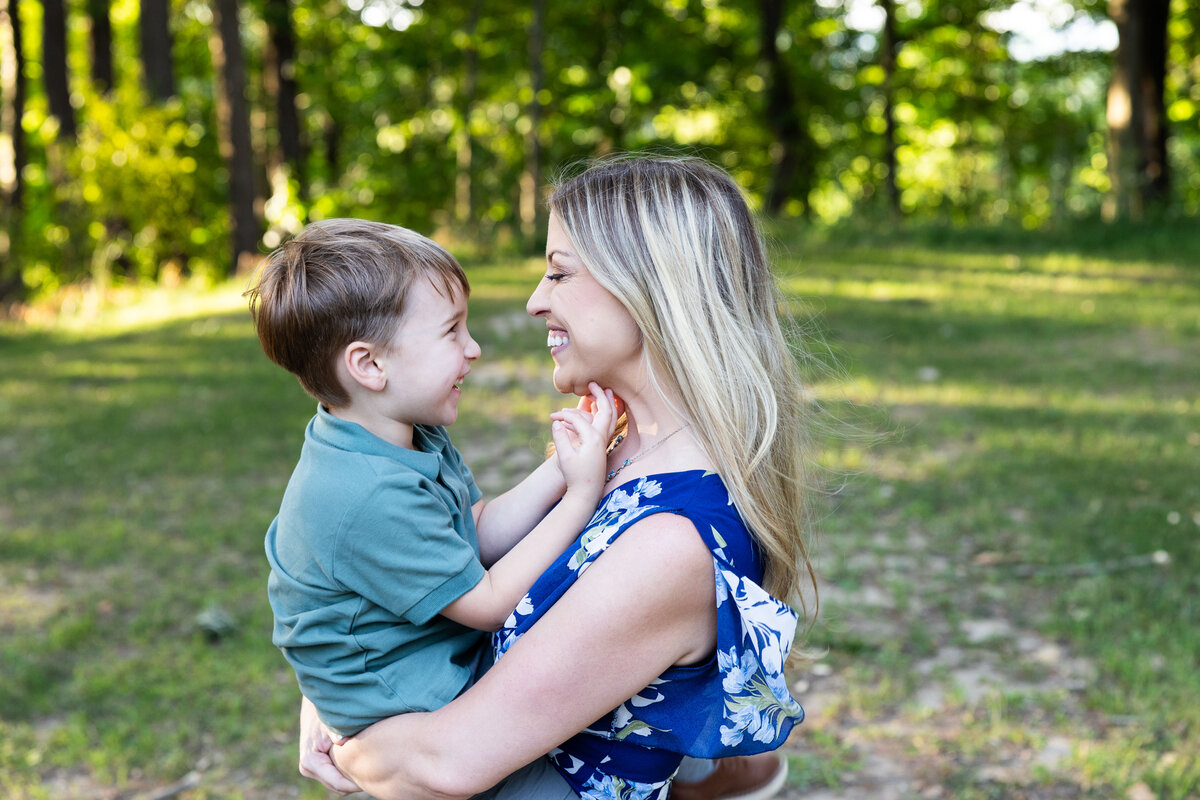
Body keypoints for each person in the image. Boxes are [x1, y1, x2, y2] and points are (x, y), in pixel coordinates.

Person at [298, 156, 820, 800]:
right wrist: (333, 677)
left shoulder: (673, 541)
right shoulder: (620, 448)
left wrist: (346, 732)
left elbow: (439, 767)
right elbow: (430, 563)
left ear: (648, 286)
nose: (534, 301)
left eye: (559, 272)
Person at [247, 219, 616, 741]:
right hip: (412, 710)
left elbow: (474, 531)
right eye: (451, 331)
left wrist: (561, 466)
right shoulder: (365, 490)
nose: (474, 349)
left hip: (439, 661)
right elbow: (487, 604)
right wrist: (580, 495)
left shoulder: (407, 430)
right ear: (370, 365)